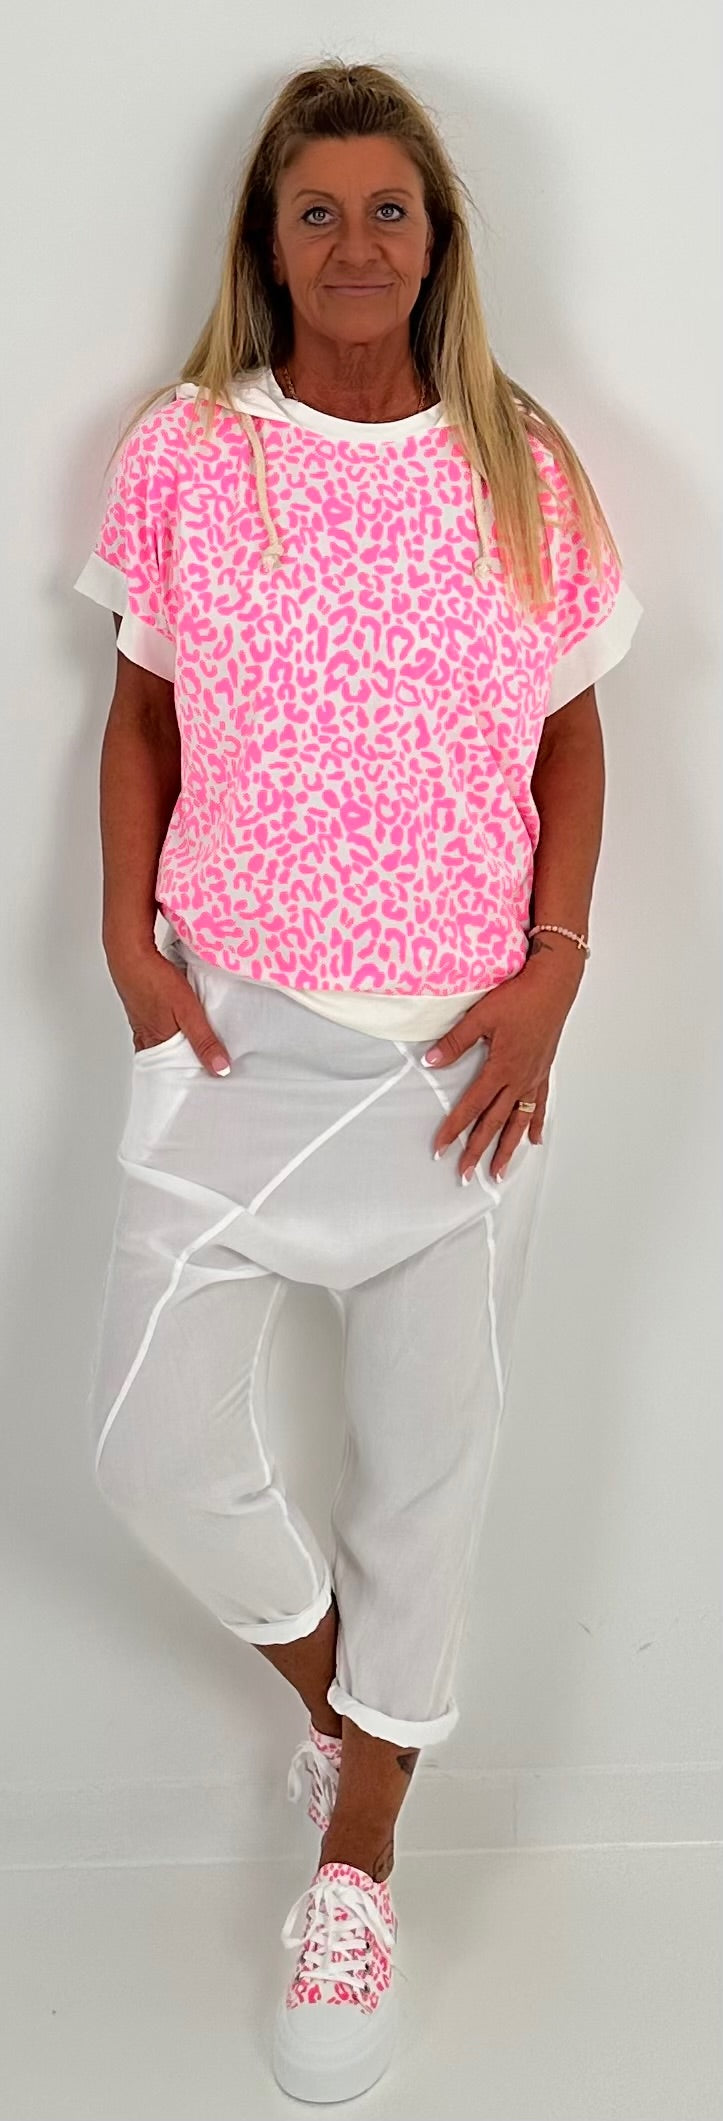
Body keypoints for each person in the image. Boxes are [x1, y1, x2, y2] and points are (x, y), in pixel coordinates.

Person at [73, 58, 643, 2107]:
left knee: (430, 1478)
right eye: (314, 209)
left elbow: (572, 734)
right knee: (143, 1444)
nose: (353, 243)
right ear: (268, 238)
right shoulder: (191, 450)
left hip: (461, 1065)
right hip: (232, 1035)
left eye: (387, 208)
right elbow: (138, 712)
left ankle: (360, 1860)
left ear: (436, 238)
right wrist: (130, 952)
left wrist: (556, 974)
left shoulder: (519, 461)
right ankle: (347, 1698)